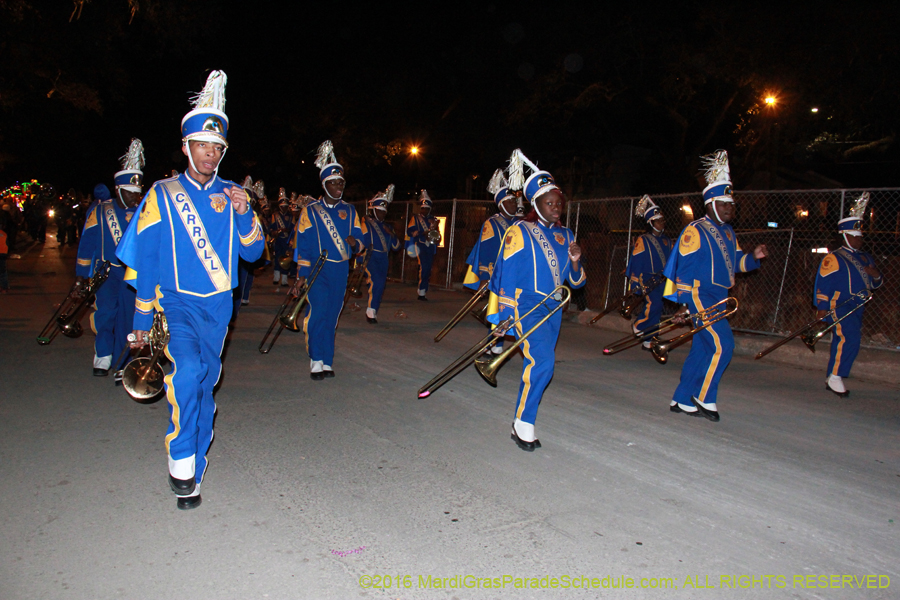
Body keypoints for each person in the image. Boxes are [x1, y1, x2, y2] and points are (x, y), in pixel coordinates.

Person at [116, 71, 265, 510]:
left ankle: (196, 462)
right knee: (185, 375)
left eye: (217, 147)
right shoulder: (162, 193)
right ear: (186, 147)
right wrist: (142, 319)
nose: (210, 154)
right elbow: (146, 261)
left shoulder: (234, 194)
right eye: (202, 145)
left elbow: (254, 253)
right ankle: (181, 461)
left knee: (204, 383)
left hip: (219, 307)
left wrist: (246, 213)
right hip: (175, 304)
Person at [488, 149, 585, 451]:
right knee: (543, 361)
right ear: (536, 204)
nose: (556, 207)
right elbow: (507, 275)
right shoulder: (520, 230)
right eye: (549, 203)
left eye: (559, 203)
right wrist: (505, 314)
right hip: (526, 305)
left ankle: (523, 419)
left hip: (553, 308)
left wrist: (576, 261)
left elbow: (577, 283)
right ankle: (523, 423)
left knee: (540, 363)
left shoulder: (567, 235)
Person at [662, 150, 768, 422]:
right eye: (724, 203)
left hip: (719, 296)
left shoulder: (729, 233)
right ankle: (704, 396)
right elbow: (684, 269)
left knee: (702, 349)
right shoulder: (695, 230)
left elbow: (736, 264)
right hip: (700, 295)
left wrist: (753, 257)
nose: (730, 208)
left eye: (731, 204)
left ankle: (682, 398)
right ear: (710, 204)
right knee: (723, 345)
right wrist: (685, 303)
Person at [291, 140, 367, 380]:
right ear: (324, 184)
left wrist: (355, 244)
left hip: (340, 270)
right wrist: (301, 275)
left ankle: (327, 360)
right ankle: (316, 359)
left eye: (341, 182)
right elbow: (303, 246)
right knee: (318, 312)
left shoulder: (350, 210)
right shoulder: (311, 211)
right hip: (317, 270)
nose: (338, 186)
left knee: (333, 315)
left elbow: (361, 239)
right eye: (334, 182)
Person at [75, 142, 144, 377]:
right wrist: (81, 275)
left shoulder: (144, 212)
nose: (135, 197)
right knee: (105, 314)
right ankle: (103, 355)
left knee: (129, 316)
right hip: (106, 272)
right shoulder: (101, 210)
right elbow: (87, 243)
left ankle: (125, 359)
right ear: (118, 190)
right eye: (130, 193)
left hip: (133, 274)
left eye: (137, 193)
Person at [814, 192, 883, 397]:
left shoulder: (866, 257)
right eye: (855, 236)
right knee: (850, 338)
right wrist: (822, 307)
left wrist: (876, 275)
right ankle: (836, 376)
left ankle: (832, 375)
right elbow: (823, 284)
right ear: (845, 236)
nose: (859, 239)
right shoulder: (834, 258)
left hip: (858, 305)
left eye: (860, 236)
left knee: (841, 340)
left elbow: (876, 283)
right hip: (838, 305)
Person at [463, 168, 523, 293]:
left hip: (518, 272)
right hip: (498, 274)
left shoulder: (520, 222)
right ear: (501, 205)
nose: (514, 204)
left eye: (514, 201)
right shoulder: (492, 223)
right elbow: (485, 252)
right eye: (509, 201)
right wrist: (484, 277)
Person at [625, 195, 673, 349]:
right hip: (647, 278)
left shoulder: (667, 241)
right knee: (654, 304)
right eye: (658, 220)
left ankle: (649, 339)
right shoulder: (643, 239)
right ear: (651, 222)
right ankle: (639, 325)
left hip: (662, 279)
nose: (662, 222)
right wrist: (634, 283)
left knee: (658, 309)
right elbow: (637, 262)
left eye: (662, 220)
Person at [361, 184, 401, 323]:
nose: (382, 214)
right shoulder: (366, 223)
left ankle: (373, 310)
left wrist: (392, 235)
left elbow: (396, 247)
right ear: (373, 210)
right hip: (371, 258)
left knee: (380, 284)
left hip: (384, 259)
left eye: (384, 211)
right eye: (379, 211)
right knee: (376, 281)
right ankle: (371, 312)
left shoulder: (388, 227)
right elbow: (362, 241)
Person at [406, 189, 440, 301]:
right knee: (424, 267)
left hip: (430, 246)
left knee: (428, 269)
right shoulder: (415, 218)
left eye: (426, 208)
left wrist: (434, 228)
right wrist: (422, 233)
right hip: (420, 245)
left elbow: (436, 234)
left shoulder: (433, 219)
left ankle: (423, 291)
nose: (424, 210)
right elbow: (410, 231)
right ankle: (421, 291)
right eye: (423, 208)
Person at [270, 187, 294, 287]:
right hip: (278, 240)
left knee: (286, 259)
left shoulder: (291, 216)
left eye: (285, 206)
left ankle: (284, 280)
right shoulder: (274, 215)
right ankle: (276, 278)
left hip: (287, 241)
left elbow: (293, 229)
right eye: (282, 206)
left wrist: (287, 231)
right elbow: (271, 228)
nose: (284, 208)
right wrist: (275, 232)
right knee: (277, 259)